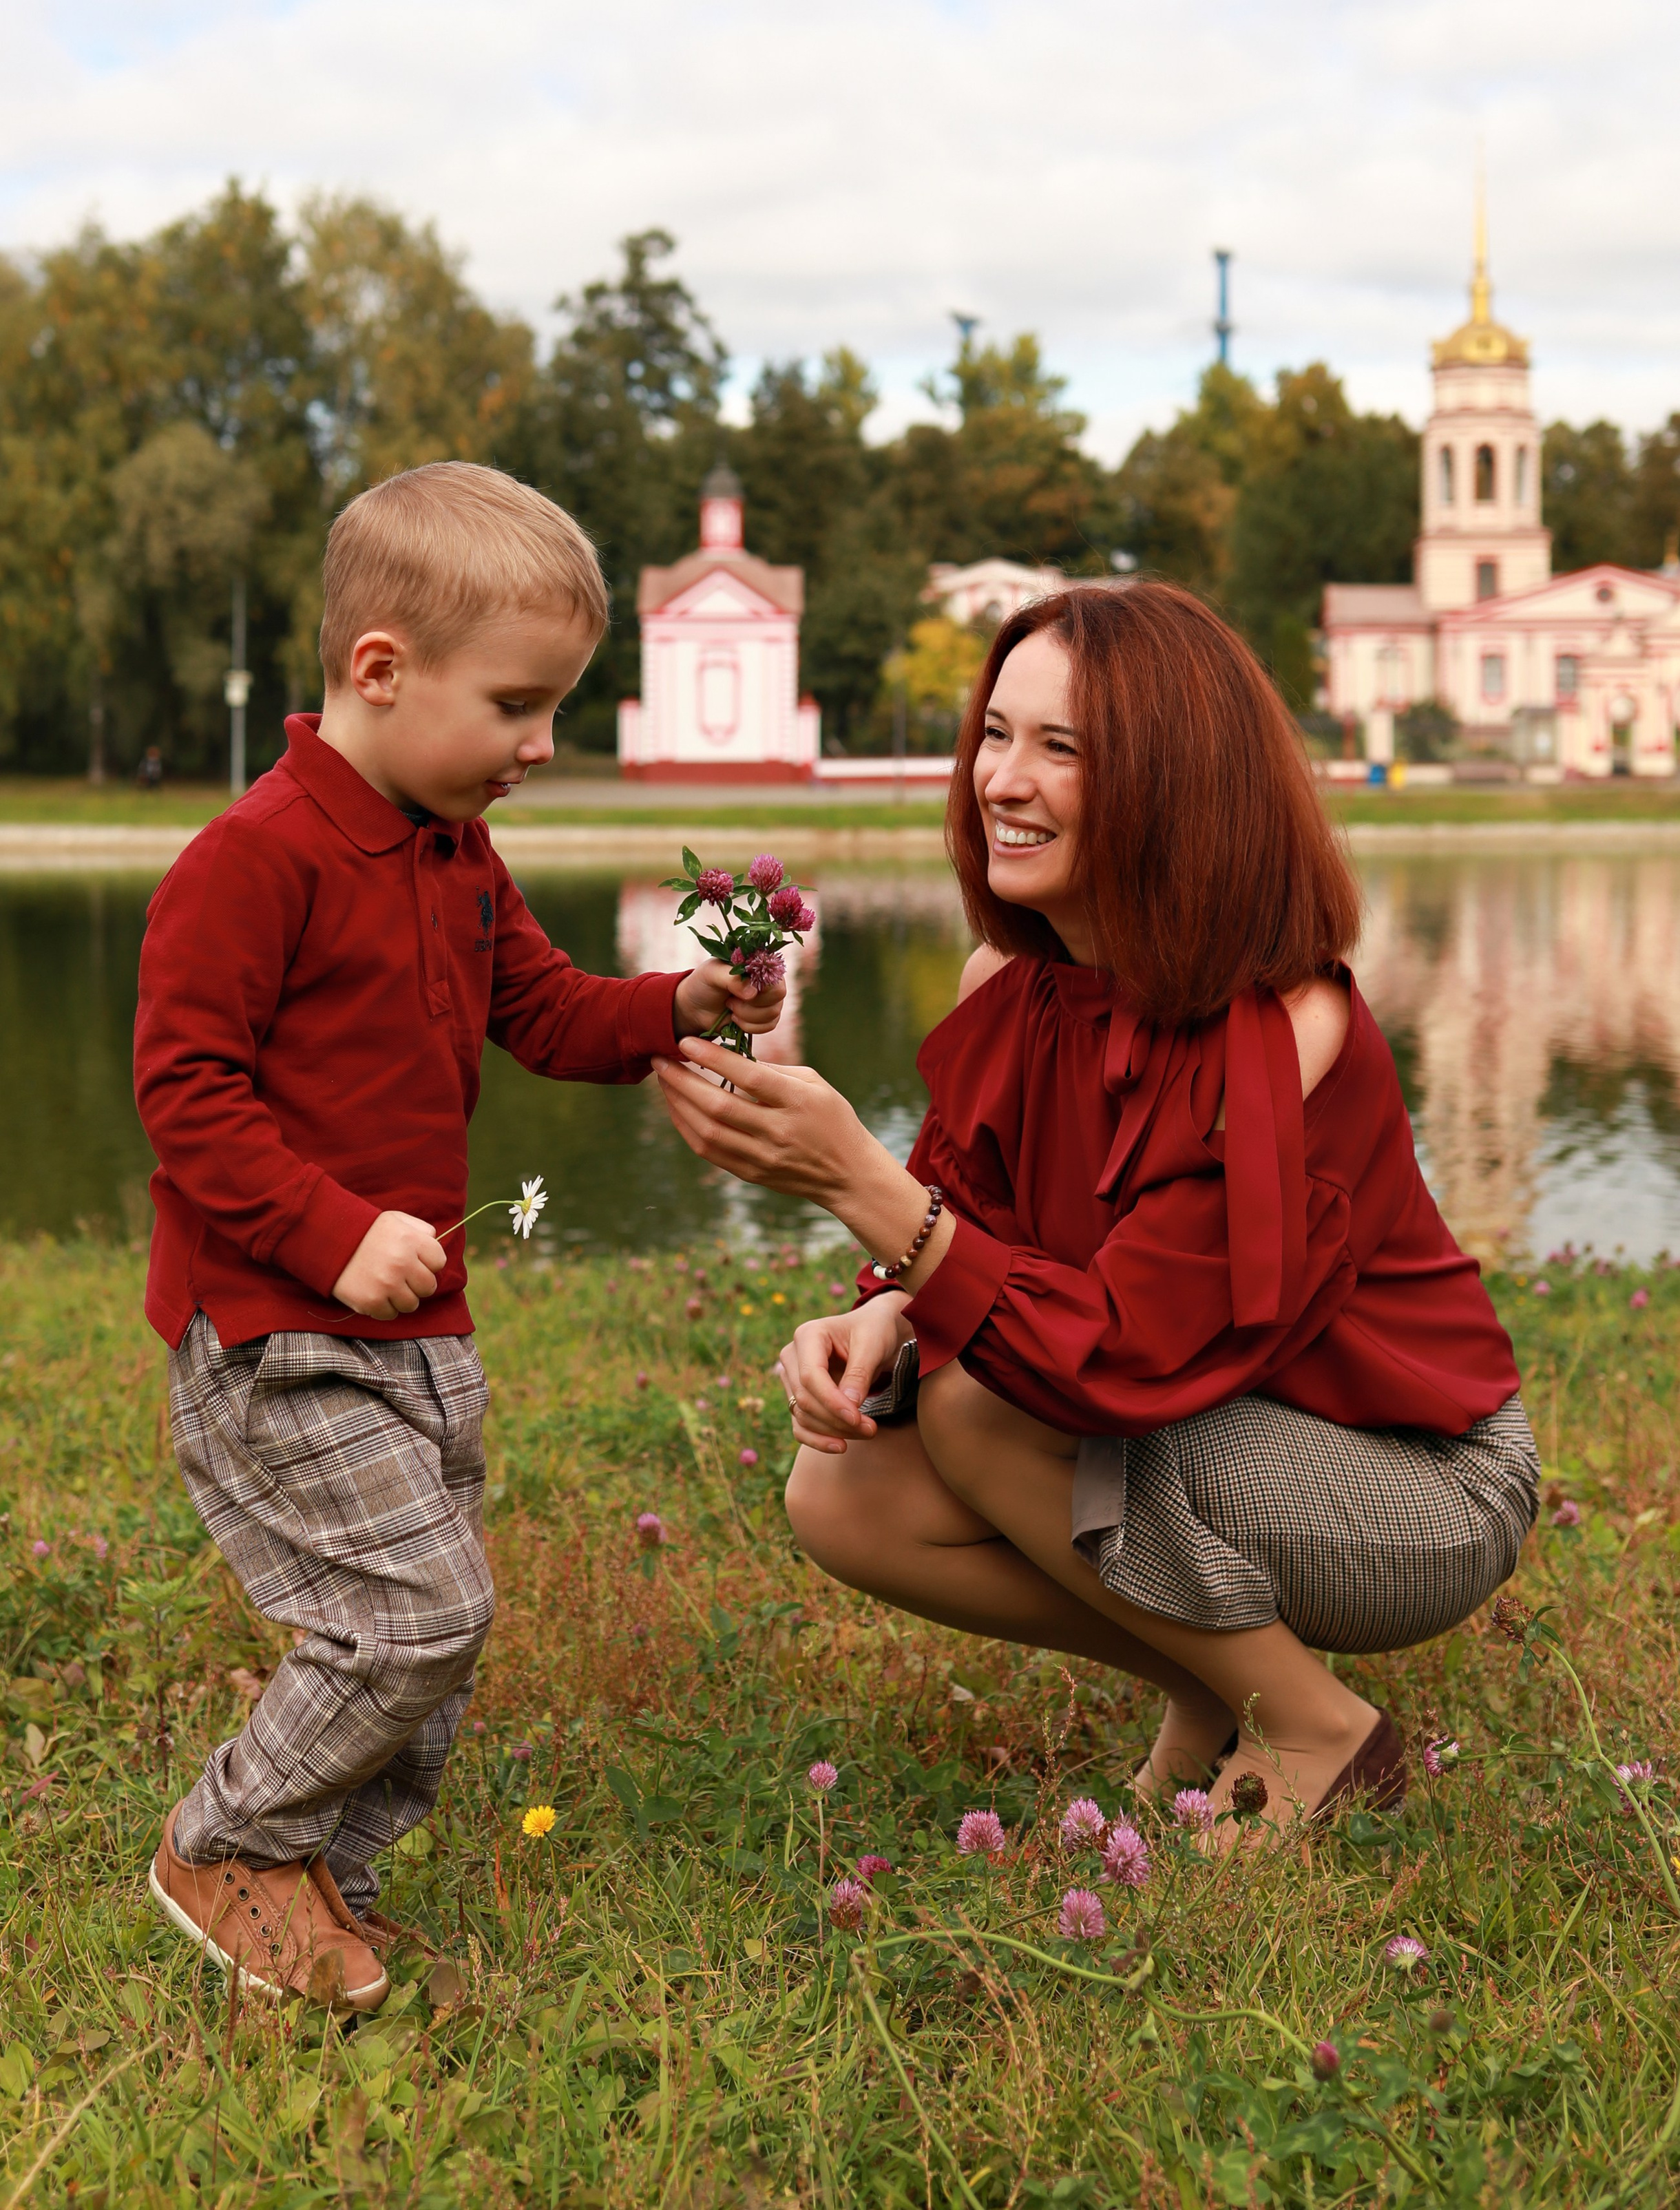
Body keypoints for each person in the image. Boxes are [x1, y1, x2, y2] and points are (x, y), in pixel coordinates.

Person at [655, 583, 1538, 1839]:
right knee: (843, 1493)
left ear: (1175, 784)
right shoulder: (1009, 986)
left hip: (1415, 1480)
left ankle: (1322, 1733)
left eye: (1063, 749)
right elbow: (980, 1229)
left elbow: (1121, 1349)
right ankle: (1209, 1681)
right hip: (1210, 1425)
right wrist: (887, 1318)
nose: (1002, 782)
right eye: (996, 735)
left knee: (986, 1403)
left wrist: (860, 1183)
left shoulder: (1287, 1029)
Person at [136, 462, 782, 2006]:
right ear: (381, 670)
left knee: (436, 1648)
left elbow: (546, 1013)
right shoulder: (256, 859)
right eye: (514, 706)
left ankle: (320, 1894)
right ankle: (227, 1843)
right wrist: (326, 1227)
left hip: (418, 1328)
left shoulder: (451, 852)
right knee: (413, 1612)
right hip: (280, 1323)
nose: (540, 746)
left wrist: (675, 1006)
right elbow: (185, 1088)